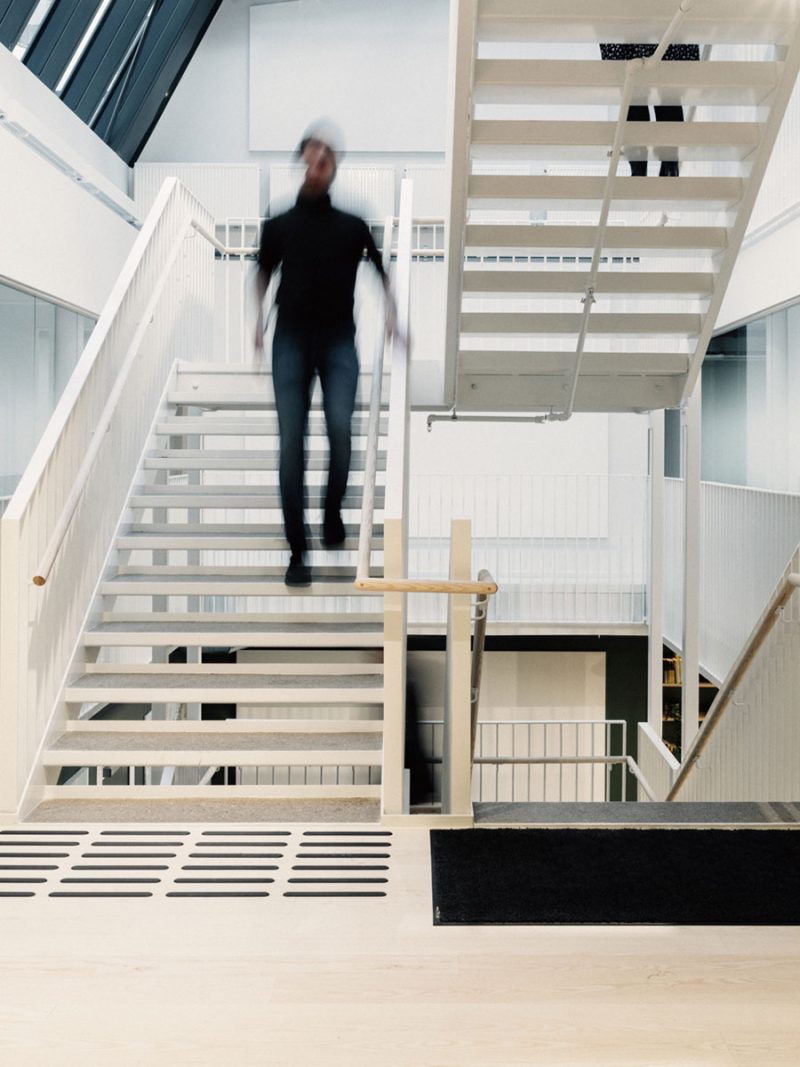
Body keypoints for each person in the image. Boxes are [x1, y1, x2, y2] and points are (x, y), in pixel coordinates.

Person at [255, 119, 397, 586]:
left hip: (338, 339)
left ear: (334, 167)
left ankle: (332, 511)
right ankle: (299, 551)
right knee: (291, 444)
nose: (319, 162)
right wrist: (257, 322)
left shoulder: (352, 225)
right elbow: (261, 274)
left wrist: (394, 317)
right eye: (312, 154)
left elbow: (380, 271)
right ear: (302, 161)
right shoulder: (278, 224)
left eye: (327, 156)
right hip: (291, 340)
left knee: (340, 428)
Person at [599, 42, 701, 176]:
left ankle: (641, 163)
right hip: (662, 37)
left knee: (634, 94)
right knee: (666, 89)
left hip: (632, 38)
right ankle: (669, 162)